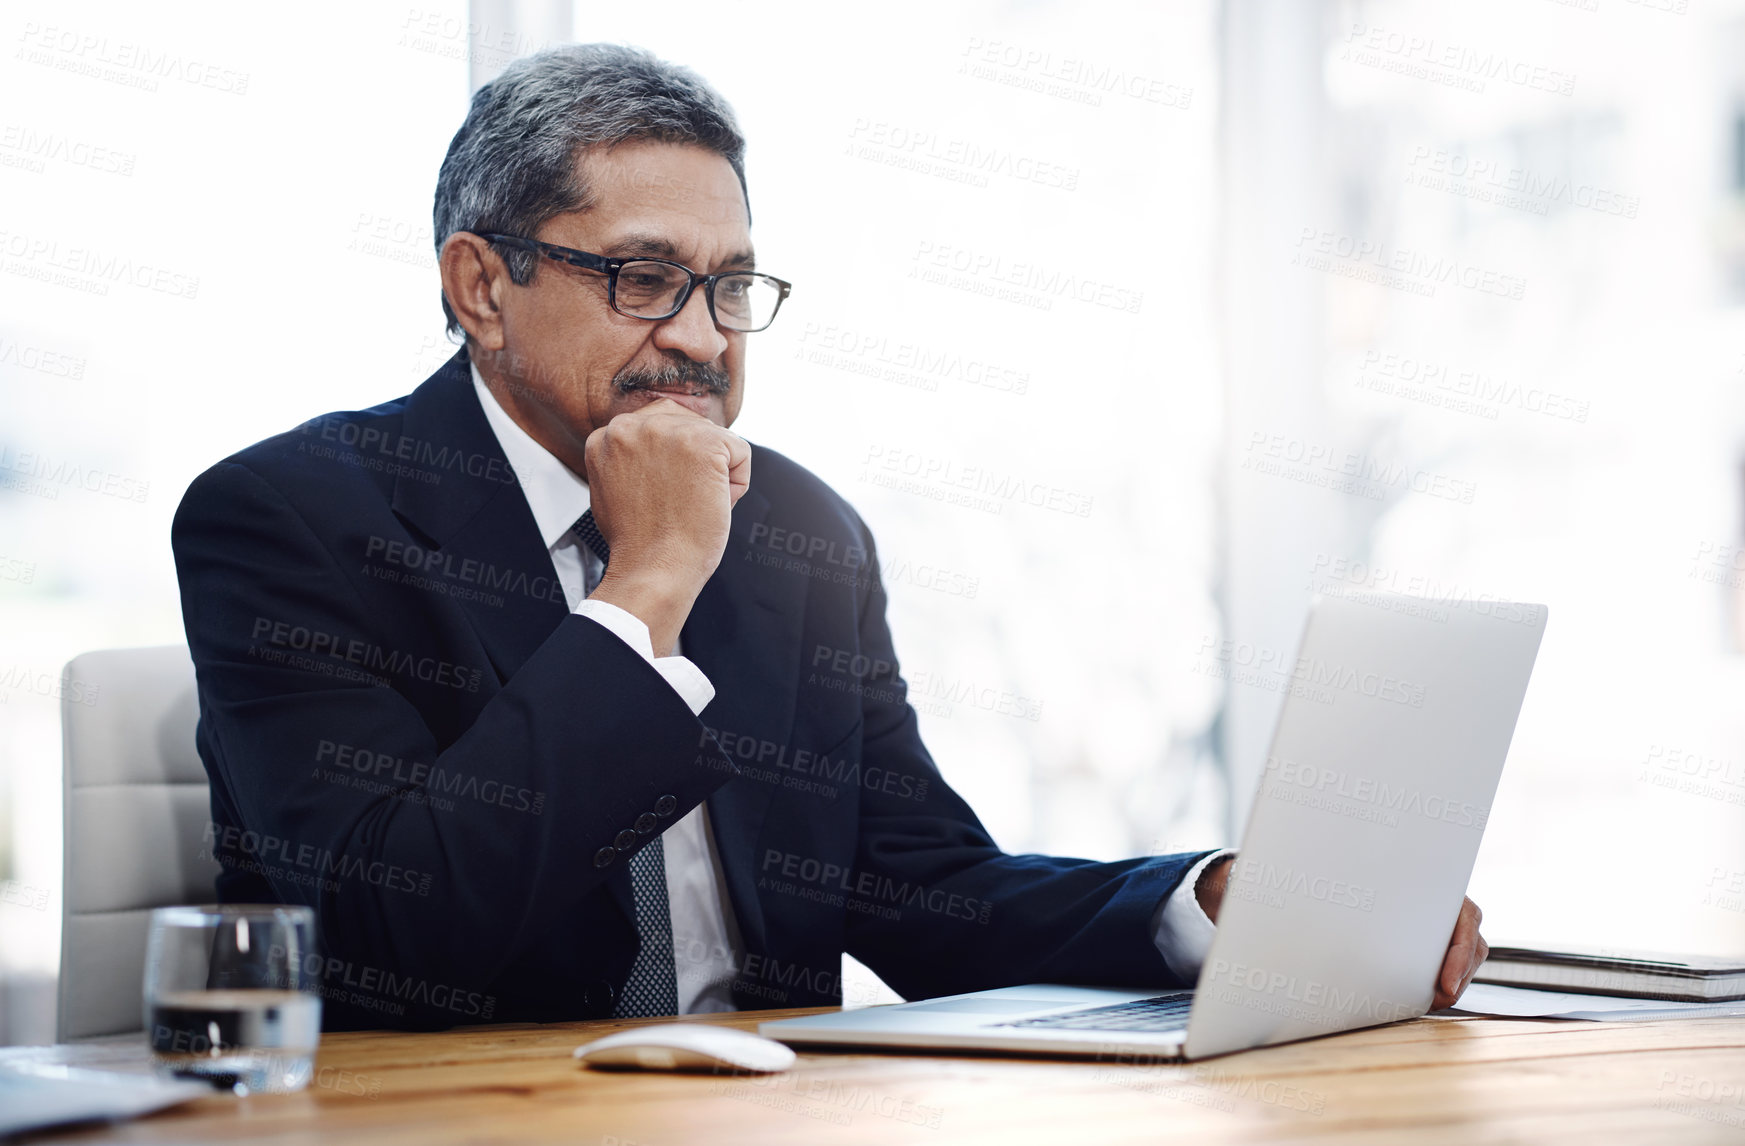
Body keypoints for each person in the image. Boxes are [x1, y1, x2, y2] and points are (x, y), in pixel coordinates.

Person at [171, 43, 1487, 1030]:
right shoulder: (290, 520)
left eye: (730, 285)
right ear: (480, 287)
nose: (699, 336)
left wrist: (1204, 907)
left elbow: (923, 894)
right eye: (641, 278)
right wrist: (649, 589)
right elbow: (393, 928)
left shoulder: (798, 528)